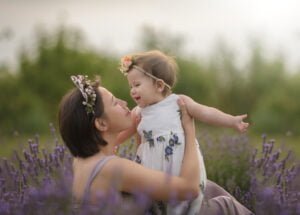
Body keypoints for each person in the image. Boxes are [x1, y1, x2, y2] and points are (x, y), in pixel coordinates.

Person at [117, 50, 250, 214]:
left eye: (137, 85)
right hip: (151, 169)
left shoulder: (179, 102)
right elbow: (122, 133)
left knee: (184, 202)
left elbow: (206, 113)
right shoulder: (138, 112)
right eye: (131, 86)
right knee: (155, 202)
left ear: (159, 85)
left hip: (181, 166)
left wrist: (231, 121)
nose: (132, 91)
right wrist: (106, 143)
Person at [58, 75, 201, 214]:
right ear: (101, 123)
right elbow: (190, 189)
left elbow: (113, 144)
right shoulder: (112, 168)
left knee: (211, 188)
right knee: (221, 201)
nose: (124, 103)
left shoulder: (80, 161)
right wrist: (189, 129)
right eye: (115, 102)